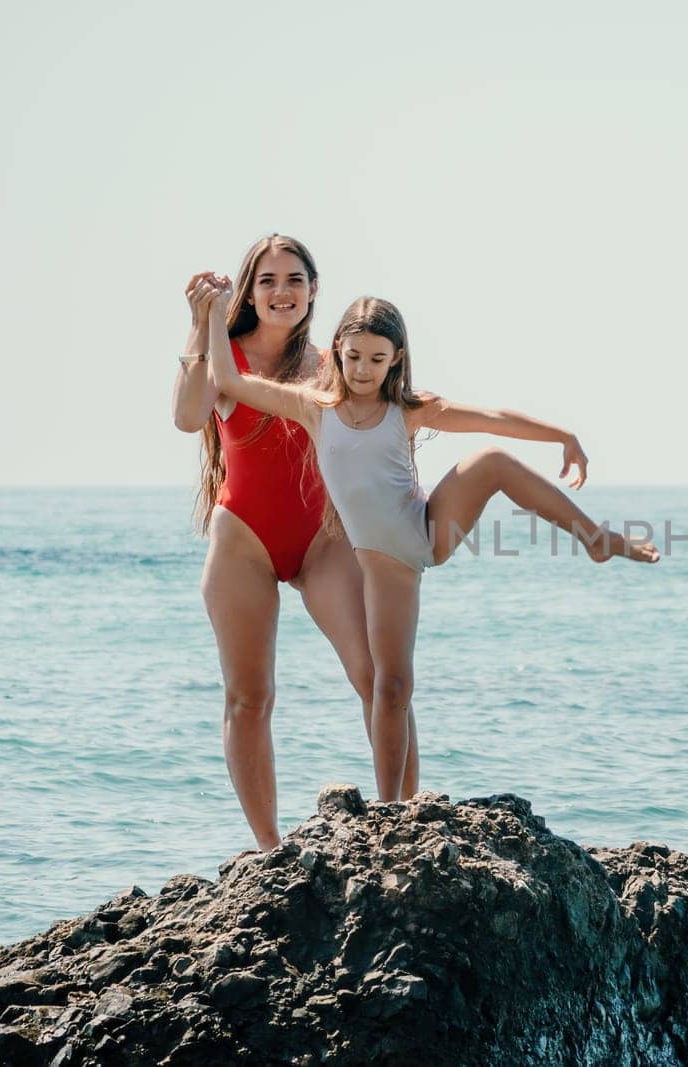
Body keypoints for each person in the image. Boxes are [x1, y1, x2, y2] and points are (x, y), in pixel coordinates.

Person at [195, 282, 658, 802]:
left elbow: (494, 418)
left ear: (396, 360)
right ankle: (392, 811)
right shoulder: (313, 407)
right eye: (353, 357)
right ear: (338, 353)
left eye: (377, 358)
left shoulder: (410, 409)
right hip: (388, 562)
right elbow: (231, 378)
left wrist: (563, 436)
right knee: (391, 687)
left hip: (427, 527)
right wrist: (213, 314)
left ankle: (595, 539)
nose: (364, 369)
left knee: (491, 460)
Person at [172, 236, 420, 851]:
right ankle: (269, 851)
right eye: (267, 280)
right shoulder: (222, 356)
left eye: (294, 279)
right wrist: (199, 325)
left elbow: (385, 439)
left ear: (313, 290)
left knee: (379, 677)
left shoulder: (332, 367)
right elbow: (185, 417)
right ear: (249, 291)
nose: (281, 292)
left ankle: (405, 823)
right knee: (250, 697)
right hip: (244, 543)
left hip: (322, 541)